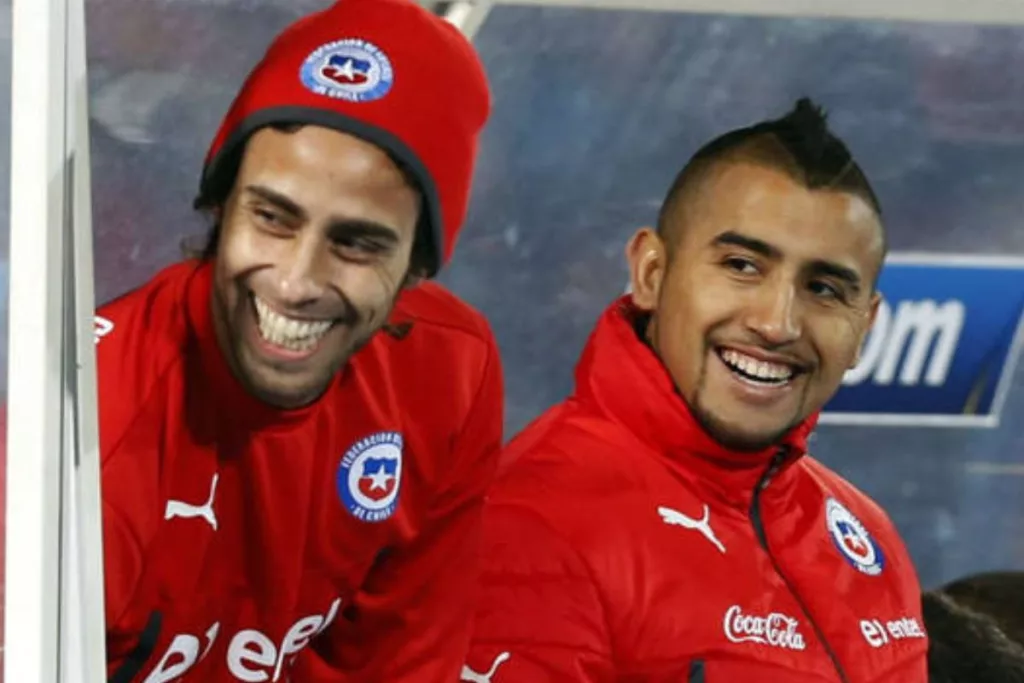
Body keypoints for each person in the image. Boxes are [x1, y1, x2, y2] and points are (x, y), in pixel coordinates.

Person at [98, 0, 502, 680]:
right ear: (221, 207)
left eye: (356, 242)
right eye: (273, 218)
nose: (295, 281)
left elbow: (403, 663)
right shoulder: (94, 430)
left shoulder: (449, 372)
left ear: (417, 266)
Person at [461, 98, 928, 682]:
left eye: (825, 289)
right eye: (741, 265)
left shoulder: (866, 533)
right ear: (651, 273)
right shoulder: (535, 523)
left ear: (865, 325)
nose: (778, 323)